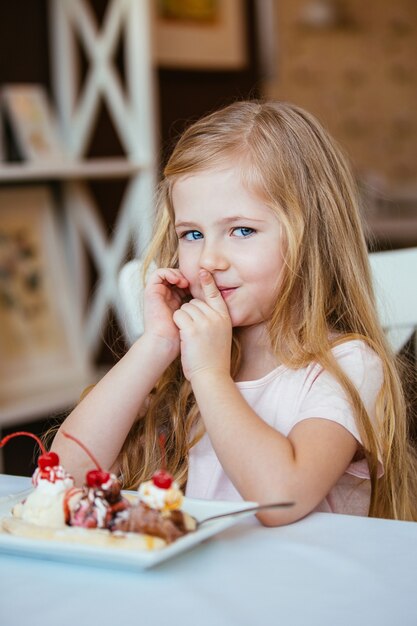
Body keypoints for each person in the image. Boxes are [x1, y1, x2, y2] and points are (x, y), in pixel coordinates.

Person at [51, 100, 417, 525]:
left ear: (312, 236)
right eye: (191, 234)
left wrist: (210, 375)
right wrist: (156, 345)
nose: (208, 259)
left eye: (242, 230)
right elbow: (64, 475)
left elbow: (282, 501)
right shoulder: (185, 361)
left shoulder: (347, 367)